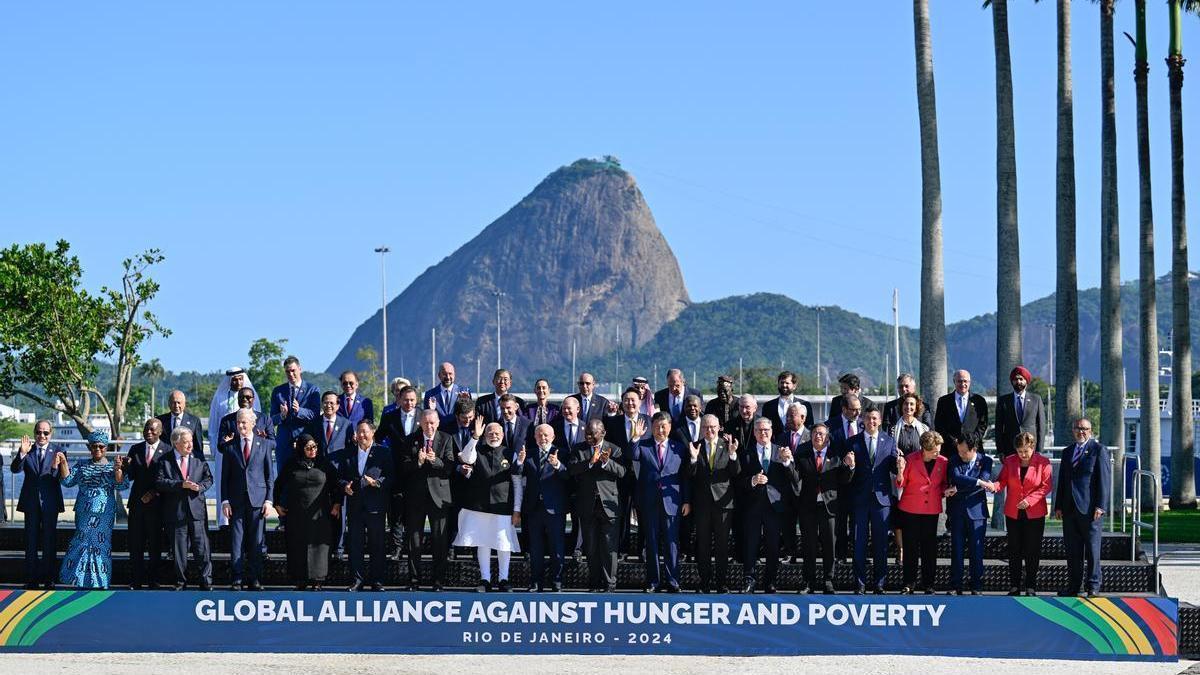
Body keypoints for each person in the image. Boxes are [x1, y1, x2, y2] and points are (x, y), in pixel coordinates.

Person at [455, 419, 523, 592]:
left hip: (503, 507)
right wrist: (475, 437)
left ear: (502, 435)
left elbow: (517, 483)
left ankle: (503, 579)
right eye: (490, 433)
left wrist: (517, 509)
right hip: (479, 506)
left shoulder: (510, 453)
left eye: (497, 433)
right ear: (485, 435)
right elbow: (466, 457)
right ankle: (485, 579)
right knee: (482, 542)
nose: (494, 436)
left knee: (503, 544)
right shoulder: (477, 449)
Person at [55, 430, 128, 589]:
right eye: (94, 446)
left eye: (101, 446)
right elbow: (67, 481)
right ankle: (78, 581)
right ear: (89, 447)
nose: (98, 449)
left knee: (101, 546)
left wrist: (118, 470)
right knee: (81, 543)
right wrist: (63, 463)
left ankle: (100, 583)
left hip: (104, 514)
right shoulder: (81, 465)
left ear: (106, 448)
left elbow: (121, 485)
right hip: (83, 512)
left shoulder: (111, 466)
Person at [627, 412, 689, 593]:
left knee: (671, 543)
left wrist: (686, 500)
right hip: (649, 502)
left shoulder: (679, 448)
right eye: (656, 426)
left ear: (669, 427)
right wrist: (635, 437)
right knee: (651, 543)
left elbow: (684, 477)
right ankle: (653, 581)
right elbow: (632, 454)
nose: (660, 430)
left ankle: (673, 580)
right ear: (651, 428)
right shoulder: (643, 446)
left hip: (672, 502)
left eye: (663, 426)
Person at [398, 409, 457, 590]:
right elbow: (403, 467)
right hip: (416, 497)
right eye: (426, 423)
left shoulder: (447, 438)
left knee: (440, 540)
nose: (429, 426)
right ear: (420, 423)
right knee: (414, 540)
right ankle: (414, 580)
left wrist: (435, 461)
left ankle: (438, 580)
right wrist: (418, 462)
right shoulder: (410, 440)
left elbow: (450, 466)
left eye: (432, 423)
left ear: (438, 423)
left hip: (439, 497)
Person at [273, 433, 340, 590]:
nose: (312, 450)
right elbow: (278, 485)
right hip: (296, 515)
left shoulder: (324, 463)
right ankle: (300, 579)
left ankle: (318, 580)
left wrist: (336, 504)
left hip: (320, 515)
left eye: (314, 447)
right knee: (297, 546)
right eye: (308, 448)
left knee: (319, 548)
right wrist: (276, 504)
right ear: (301, 448)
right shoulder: (291, 464)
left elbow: (336, 485)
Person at [740, 418, 798, 594]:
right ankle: (749, 580)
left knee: (773, 546)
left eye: (766, 430)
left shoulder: (781, 451)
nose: (763, 433)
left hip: (775, 507)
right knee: (751, 545)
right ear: (755, 432)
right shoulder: (746, 452)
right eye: (759, 430)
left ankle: (769, 581)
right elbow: (737, 481)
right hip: (752, 507)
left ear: (772, 432)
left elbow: (794, 478)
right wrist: (752, 480)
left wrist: (787, 462)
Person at [220, 408, 276, 590]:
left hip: (258, 501)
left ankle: (255, 578)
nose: (241, 425)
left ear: (253, 423)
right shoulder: (229, 447)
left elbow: (269, 475)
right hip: (236, 501)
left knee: (256, 541)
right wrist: (225, 501)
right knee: (237, 541)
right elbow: (225, 477)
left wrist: (269, 501)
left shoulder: (265, 444)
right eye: (238, 422)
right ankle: (237, 577)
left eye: (244, 422)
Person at [1055, 417, 1110, 597]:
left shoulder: (1099, 450)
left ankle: (1093, 586)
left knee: (1093, 551)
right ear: (1073, 430)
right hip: (1069, 509)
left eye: (1085, 429)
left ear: (1090, 431)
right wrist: (1058, 506)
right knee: (1073, 551)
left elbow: (1104, 480)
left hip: (1090, 510)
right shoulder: (1067, 452)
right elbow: (1062, 481)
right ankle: (1074, 586)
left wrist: (1101, 506)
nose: (1081, 432)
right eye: (1078, 428)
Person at [568, 419, 625, 592]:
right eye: (587, 433)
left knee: (609, 547)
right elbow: (571, 470)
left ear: (603, 432)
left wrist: (607, 463)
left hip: (609, 505)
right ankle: (594, 582)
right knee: (591, 546)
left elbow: (622, 472)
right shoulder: (579, 449)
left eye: (593, 433)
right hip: (587, 504)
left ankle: (610, 583)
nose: (589, 436)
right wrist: (590, 462)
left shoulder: (614, 449)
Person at [847, 407, 899, 594]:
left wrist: (900, 465)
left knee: (881, 544)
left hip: (881, 500)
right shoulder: (853, 442)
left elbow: (894, 468)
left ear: (880, 420)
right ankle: (859, 583)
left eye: (875, 418)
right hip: (860, 499)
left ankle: (879, 583)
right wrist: (850, 466)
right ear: (863, 420)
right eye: (868, 418)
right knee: (859, 542)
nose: (872, 422)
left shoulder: (889, 441)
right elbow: (847, 474)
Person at [795, 424, 852, 593]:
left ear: (827, 437)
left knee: (829, 545)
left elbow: (844, 479)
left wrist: (850, 467)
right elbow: (795, 476)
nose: (817, 436)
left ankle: (828, 580)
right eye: (814, 433)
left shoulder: (836, 454)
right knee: (809, 545)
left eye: (821, 434)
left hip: (830, 506)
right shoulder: (802, 452)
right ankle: (809, 582)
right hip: (808, 506)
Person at [686, 414, 739, 593]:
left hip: (723, 504)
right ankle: (704, 582)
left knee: (722, 546)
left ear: (719, 428)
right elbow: (689, 475)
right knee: (703, 545)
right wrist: (693, 459)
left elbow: (736, 472)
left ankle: (721, 583)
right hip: (702, 504)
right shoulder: (695, 446)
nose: (710, 430)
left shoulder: (728, 445)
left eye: (713, 427)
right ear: (702, 429)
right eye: (706, 427)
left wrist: (733, 456)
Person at [156, 427, 213, 590]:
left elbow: (209, 479)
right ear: (176, 443)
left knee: (202, 547)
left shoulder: (198, 458)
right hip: (176, 512)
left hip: (196, 510)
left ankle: (206, 581)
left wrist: (199, 487)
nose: (190, 445)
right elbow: (160, 482)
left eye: (191, 441)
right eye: (186, 442)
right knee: (179, 549)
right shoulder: (164, 460)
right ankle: (181, 581)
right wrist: (180, 485)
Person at [996, 431, 1053, 596]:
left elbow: (1046, 486)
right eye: (1020, 451)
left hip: (1034, 513)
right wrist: (993, 486)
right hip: (1013, 513)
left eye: (1026, 451)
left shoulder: (1043, 462)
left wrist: (1030, 500)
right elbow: (1002, 481)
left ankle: (1030, 586)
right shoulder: (1010, 461)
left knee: (1032, 550)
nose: (1023, 455)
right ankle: (1014, 586)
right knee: (1014, 549)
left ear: (1032, 447)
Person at [339, 420, 393, 591]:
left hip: (375, 506)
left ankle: (377, 580)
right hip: (355, 506)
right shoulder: (348, 453)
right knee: (355, 544)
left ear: (373, 432)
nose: (361, 435)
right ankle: (357, 580)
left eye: (365, 431)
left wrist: (377, 483)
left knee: (377, 544)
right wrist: (344, 486)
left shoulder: (383, 452)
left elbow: (391, 477)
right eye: (359, 432)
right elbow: (340, 476)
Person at [11, 420, 65, 589]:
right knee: (31, 542)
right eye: (38, 432)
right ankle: (31, 579)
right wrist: (21, 453)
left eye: (45, 433)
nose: (42, 436)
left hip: (50, 502)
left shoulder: (58, 450)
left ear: (51, 434)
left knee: (50, 542)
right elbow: (14, 469)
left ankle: (49, 579)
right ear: (34, 433)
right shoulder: (28, 450)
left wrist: (57, 466)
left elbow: (61, 478)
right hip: (31, 502)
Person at [992, 365, 1047, 530]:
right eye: (1015, 379)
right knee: (1013, 488)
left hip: (1031, 453)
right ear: (1012, 381)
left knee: (1032, 485)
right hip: (1011, 453)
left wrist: (1039, 452)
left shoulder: (1036, 399)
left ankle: (1030, 520)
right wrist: (1001, 450)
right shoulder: (1004, 400)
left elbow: (1041, 427)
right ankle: (1013, 522)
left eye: (1021, 378)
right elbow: (999, 427)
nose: (1018, 381)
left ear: (1026, 381)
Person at [516, 424, 569, 592]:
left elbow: (569, 477)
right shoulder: (528, 453)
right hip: (533, 509)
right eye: (539, 435)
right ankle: (535, 582)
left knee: (557, 548)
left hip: (554, 508)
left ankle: (556, 581)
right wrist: (519, 462)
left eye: (546, 435)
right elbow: (516, 473)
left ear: (552, 437)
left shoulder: (562, 453)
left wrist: (557, 465)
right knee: (535, 548)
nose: (543, 438)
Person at [894, 430, 947, 594]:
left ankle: (928, 584)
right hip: (910, 510)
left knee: (929, 549)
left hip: (931, 511)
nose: (938, 453)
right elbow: (900, 485)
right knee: (910, 548)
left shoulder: (943, 462)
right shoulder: (910, 459)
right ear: (925, 449)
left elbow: (944, 484)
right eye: (935, 450)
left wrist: (947, 490)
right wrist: (900, 472)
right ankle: (909, 583)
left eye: (939, 449)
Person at [208, 367, 259, 525]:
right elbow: (213, 427)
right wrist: (217, 449)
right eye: (234, 379)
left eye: (240, 379)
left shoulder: (252, 397)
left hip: (247, 451)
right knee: (225, 485)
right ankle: (224, 523)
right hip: (225, 452)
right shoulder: (220, 398)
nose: (237, 382)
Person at [946, 432, 995, 595]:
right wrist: (979, 482)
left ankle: (976, 586)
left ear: (973, 449)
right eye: (959, 451)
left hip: (977, 513)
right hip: (957, 512)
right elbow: (956, 477)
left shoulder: (986, 461)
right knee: (957, 550)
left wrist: (960, 489)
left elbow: (983, 480)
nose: (961, 454)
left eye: (964, 452)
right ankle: (955, 585)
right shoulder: (953, 460)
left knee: (977, 551)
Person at [605, 387, 650, 558]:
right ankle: (622, 550)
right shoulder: (613, 423)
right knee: (621, 514)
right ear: (621, 403)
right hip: (620, 475)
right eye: (626, 400)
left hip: (643, 476)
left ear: (640, 402)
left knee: (644, 514)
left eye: (633, 400)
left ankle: (642, 549)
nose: (630, 403)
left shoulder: (648, 421)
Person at [126, 418, 169, 589]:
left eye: (152, 430)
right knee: (135, 544)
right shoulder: (135, 449)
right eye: (146, 429)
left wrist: (156, 492)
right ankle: (136, 580)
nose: (148, 432)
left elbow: (170, 478)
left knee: (155, 545)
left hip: (157, 505)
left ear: (159, 431)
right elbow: (130, 476)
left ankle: (153, 580)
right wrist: (124, 467)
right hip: (137, 504)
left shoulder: (168, 450)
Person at [379, 384, 420, 559]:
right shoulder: (390, 417)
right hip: (395, 470)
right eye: (405, 400)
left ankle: (412, 549)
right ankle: (396, 548)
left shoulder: (423, 415)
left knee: (414, 513)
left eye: (412, 400)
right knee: (395, 513)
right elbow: (378, 437)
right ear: (399, 400)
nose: (409, 403)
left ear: (416, 400)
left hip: (417, 470)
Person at [888, 392, 929, 564]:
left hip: (917, 480)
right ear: (901, 407)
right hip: (898, 478)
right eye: (906, 404)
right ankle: (901, 549)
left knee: (915, 517)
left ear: (917, 407)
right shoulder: (892, 430)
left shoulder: (924, 430)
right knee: (899, 516)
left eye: (912, 404)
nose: (908, 407)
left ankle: (914, 549)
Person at [270, 356, 322, 477]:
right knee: (283, 478)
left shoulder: (312, 389)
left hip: (304, 440)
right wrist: (281, 416)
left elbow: (315, 415)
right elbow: (271, 419)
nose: (291, 374)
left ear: (300, 369)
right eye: (287, 371)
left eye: (293, 370)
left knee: (304, 476)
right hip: (284, 443)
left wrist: (299, 411)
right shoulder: (278, 391)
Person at [933, 369, 989, 457]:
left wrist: (971, 441)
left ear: (970, 382)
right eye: (959, 381)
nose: (963, 384)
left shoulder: (979, 401)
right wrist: (954, 441)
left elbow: (983, 424)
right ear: (954, 382)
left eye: (965, 381)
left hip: (973, 450)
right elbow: (939, 425)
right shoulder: (944, 401)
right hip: (950, 451)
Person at [158, 390, 207, 460]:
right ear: (169, 404)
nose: (176, 405)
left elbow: (198, 447)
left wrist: (200, 464)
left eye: (179, 403)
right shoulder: (160, 420)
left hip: (186, 462)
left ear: (184, 404)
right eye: (173, 402)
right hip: (165, 462)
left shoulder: (194, 421)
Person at [308, 391, 353, 459]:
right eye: (326, 403)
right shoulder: (314, 423)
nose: (328, 406)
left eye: (332, 403)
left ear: (338, 406)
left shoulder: (346, 424)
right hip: (319, 466)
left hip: (339, 466)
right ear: (322, 404)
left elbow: (350, 447)